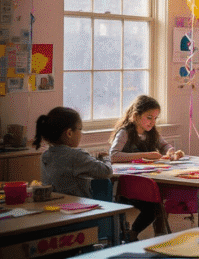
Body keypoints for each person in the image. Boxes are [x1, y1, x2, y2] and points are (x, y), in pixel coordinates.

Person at [109, 95, 183, 240]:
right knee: (154, 206)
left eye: (155, 118)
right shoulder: (125, 132)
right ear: (136, 116)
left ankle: (148, 233)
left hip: (147, 180)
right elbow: (114, 156)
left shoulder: (151, 132)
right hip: (129, 184)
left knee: (158, 204)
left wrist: (171, 152)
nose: (153, 122)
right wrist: (145, 155)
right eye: (149, 117)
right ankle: (134, 233)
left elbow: (164, 145)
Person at [34, 107, 112, 198]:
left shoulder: (45, 155)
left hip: (55, 205)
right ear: (69, 133)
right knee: (104, 183)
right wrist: (106, 158)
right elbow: (107, 171)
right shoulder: (76, 156)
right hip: (79, 208)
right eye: (80, 129)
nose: (81, 133)